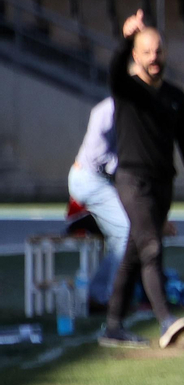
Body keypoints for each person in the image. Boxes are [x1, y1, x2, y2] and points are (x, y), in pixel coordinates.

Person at [99, 11, 184, 350]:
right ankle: (166, 320)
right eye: (146, 51)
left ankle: (113, 324)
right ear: (136, 55)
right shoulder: (128, 90)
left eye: (158, 51)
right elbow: (113, 72)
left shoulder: (175, 95)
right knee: (151, 247)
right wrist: (126, 38)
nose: (153, 57)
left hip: (163, 184)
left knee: (133, 253)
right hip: (132, 181)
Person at [67, 97, 128, 310]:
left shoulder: (133, 109)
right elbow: (97, 157)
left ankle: (112, 292)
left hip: (101, 181)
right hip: (88, 179)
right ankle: (100, 295)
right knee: (125, 230)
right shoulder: (106, 110)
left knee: (131, 227)